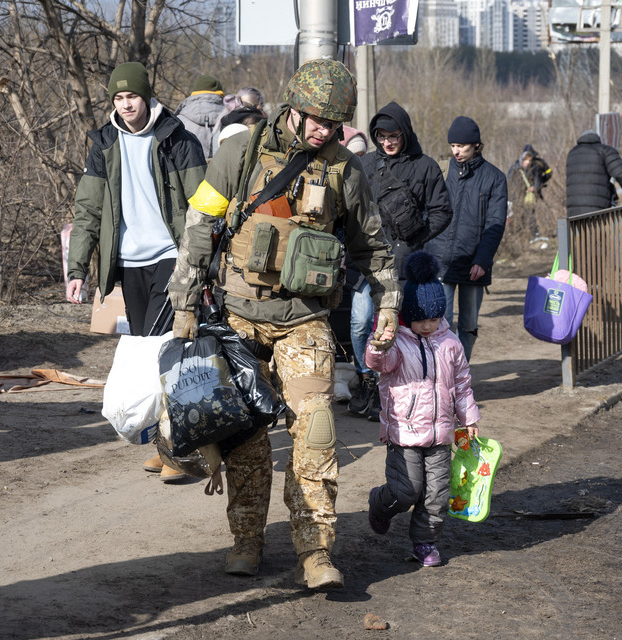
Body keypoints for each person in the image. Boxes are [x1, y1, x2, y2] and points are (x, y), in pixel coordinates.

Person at [167, 58, 401, 588]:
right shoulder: (238, 152)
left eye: (335, 123)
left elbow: (374, 247)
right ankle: (246, 540)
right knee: (246, 441)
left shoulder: (345, 168)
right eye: (317, 119)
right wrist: (184, 302)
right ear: (293, 108)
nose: (325, 130)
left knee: (316, 432)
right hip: (239, 320)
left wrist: (388, 305)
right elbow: (200, 225)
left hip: (306, 320)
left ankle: (316, 552)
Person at [66, 61, 206, 482]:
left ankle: (176, 449)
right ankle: (167, 441)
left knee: (167, 348)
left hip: (172, 256)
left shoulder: (177, 139)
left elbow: (202, 204)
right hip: (128, 262)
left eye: (132, 96)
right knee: (148, 349)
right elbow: (88, 209)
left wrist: (201, 262)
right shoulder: (104, 143)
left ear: (147, 97)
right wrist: (78, 267)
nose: (126, 104)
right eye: (119, 98)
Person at [364, 251, 481, 567]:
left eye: (433, 319)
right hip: (404, 432)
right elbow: (377, 362)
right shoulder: (398, 342)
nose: (428, 326)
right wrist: (379, 343)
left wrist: (469, 417)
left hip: (440, 434)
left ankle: (425, 543)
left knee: (437, 495)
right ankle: (380, 503)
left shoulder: (451, 343)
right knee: (407, 491)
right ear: (407, 316)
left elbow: (462, 384)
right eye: (420, 320)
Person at [349, 101, 452, 420]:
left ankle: (391, 386)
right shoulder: (366, 166)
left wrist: (416, 236)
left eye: (393, 135)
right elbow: (351, 207)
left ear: (405, 133)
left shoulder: (426, 166)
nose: (387, 142)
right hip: (370, 259)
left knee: (402, 325)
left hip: (408, 260)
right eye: (381, 136)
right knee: (360, 319)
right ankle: (366, 377)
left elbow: (442, 211)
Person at [424, 116, 507, 363]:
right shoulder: (440, 171)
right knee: (440, 324)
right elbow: (426, 212)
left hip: (474, 264)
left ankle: (461, 373)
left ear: (477, 145)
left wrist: (482, 260)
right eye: (452, 146)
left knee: (469, 325)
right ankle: (443, 378)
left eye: (462, 146)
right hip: (439, 261)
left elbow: (495, 224)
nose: (456, 151)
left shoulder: (495, 178)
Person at [565, 129, 622, 217]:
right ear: (597, 139)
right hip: (598, 212)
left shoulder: (572, 154)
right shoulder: (605, 151)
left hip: (574, 214)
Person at [174, 74, 226, 160]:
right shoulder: (233, 119)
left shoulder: (179, 121)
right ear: (221, 94)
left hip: (189, 172)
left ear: (194, 94)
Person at [507, 144, 552, 236]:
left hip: (529, 195)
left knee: (529, 213)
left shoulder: (535, 166)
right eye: (526, 160)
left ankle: (533, 234)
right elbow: (509, 181)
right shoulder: (515, 168)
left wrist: (536, 187)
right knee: (518, 215)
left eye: (529, 160)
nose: (528, 162)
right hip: (516, 196)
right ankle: (517, 234)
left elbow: (543, 176)